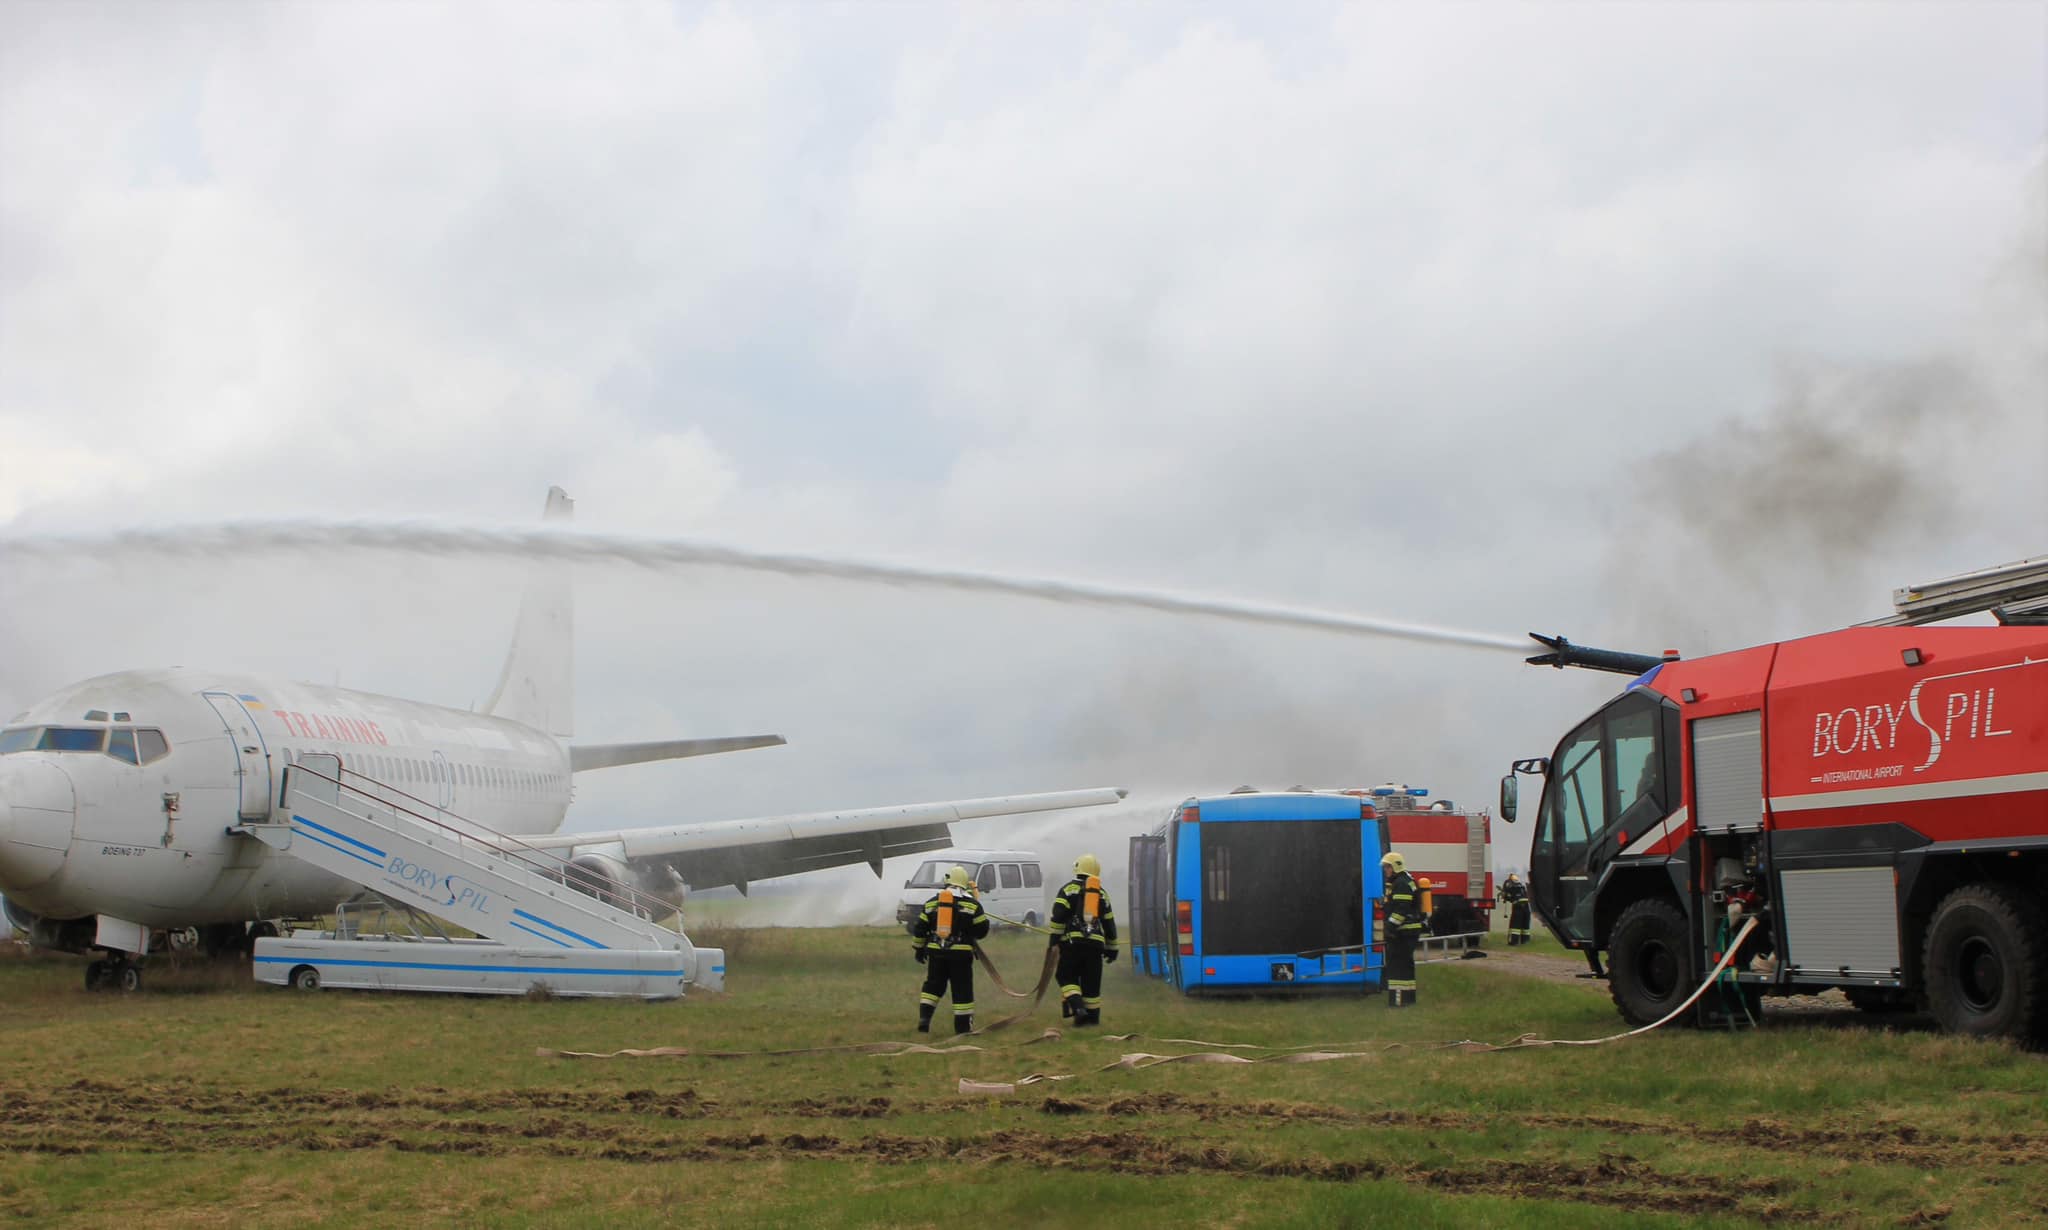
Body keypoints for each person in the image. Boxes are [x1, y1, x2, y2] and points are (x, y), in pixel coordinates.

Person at [912, 865, 989, 1034]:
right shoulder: (972, 905)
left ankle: (924, 1020)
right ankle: (962, 1029)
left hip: (936, 952)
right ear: (964, 884)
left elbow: (919, 928)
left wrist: (918, 949)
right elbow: (982, 930)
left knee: (933, 986)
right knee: (962, 990)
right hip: (961, 955)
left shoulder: (932, 902)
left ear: (947, 882)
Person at [1049, 852, 1118, 1027]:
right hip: (1095, 946)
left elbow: (1058, 917)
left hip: (1072, 944)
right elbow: (1109, 922)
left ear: (1077, 868)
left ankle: (1078, 1009)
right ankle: (1092, 1021)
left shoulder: (1067, 890)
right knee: (1091, 985)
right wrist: (1112, 948)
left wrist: (1054, 942)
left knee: (1065, 976)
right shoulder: (1102, 894)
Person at [1381, 851, 1424, 1007]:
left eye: (1387, 867)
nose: (1386, 870)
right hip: (1408, 932)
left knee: (1397, 967)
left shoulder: (1401, 883)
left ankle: (1398, 1002)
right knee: (1405, 966)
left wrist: (1389, 928)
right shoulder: (1405, 880)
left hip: (1403, 933)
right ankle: (1408, 999)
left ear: (1395, 867)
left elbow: (1400, 910)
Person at [1500, 873, 1532, 946]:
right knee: (1525, 927)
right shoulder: (1521, 886)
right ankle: (1525, 941)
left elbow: (1506, 895)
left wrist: (1504, 896)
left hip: (1518, 908)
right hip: (1527, 908)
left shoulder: (1510, 885)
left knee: (1515, 926)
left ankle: (1514, 942)